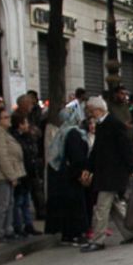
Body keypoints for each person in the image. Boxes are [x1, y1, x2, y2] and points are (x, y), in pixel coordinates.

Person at [80, 97, 133, 252]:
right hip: (105, 173)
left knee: (101, 208)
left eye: (90, 110)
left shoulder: (114, 124)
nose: (89, 114)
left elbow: (125, 147)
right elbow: (96, 151)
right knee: (113, 206)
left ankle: (97, 240)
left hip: (112, 174)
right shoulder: (103, 125)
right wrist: (89, 168)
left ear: (97, 110)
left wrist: (131, 168)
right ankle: (132, 232)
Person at [44, 105, 90, 246]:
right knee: (74, 206)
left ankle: (67, 235)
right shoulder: (73, 134)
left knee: (66, 206)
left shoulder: (61, 133)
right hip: (71, 177)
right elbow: (76, 157)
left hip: (61, 176)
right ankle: (75, 234)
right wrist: (82, 173)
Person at [0, 108, 25, 242]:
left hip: (9, 173)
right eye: (5, 117)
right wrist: (11, 175)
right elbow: (1, 156)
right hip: (2, 175)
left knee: (9, 203)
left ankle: (8, 229)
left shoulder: (4, 133)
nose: (8, 119)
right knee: (3, 204)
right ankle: (0, 231)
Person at [10, 111, 42, 236]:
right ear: (20, 124)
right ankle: (19, 226)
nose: (28, 125)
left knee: (26, 200)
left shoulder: (27, 136)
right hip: (20, 172)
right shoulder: (14, 138)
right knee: (19, 201)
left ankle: (28, 225)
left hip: (29, 172)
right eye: (25, 122)